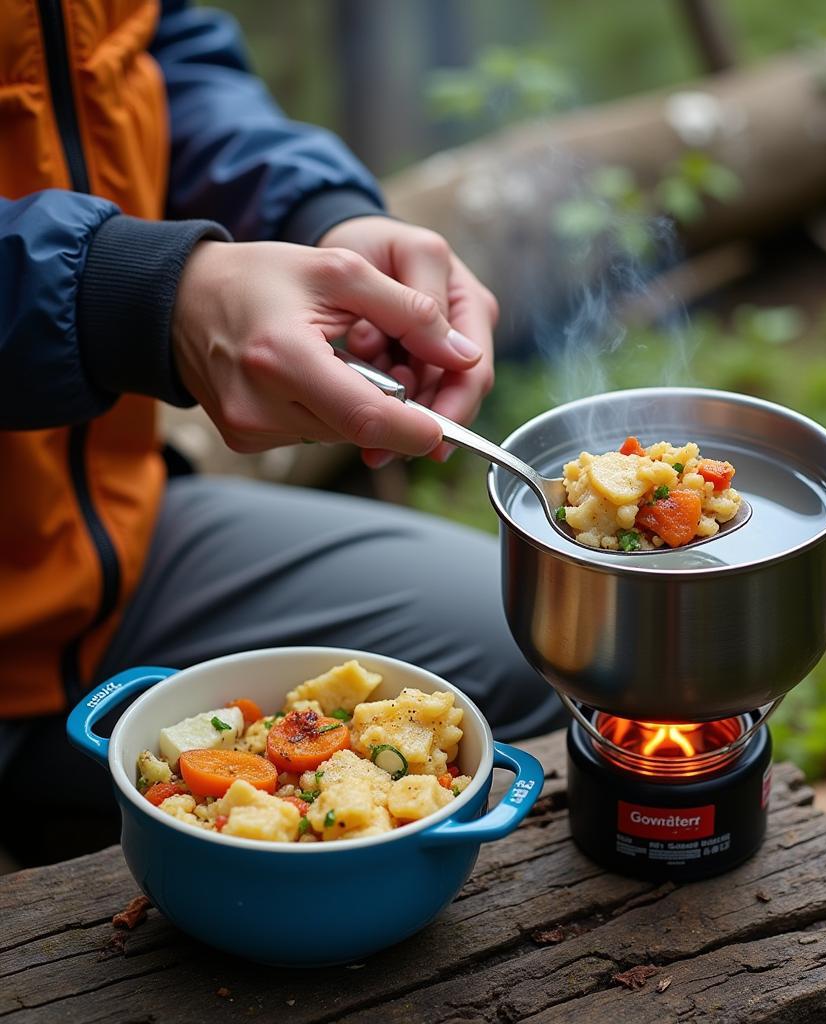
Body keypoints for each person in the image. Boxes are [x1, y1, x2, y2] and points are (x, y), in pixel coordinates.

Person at [0, 0, 563, 866]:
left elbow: (152, 52)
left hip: (112, 545)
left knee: (541, 636)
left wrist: (317, 212)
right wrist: (130, 296)